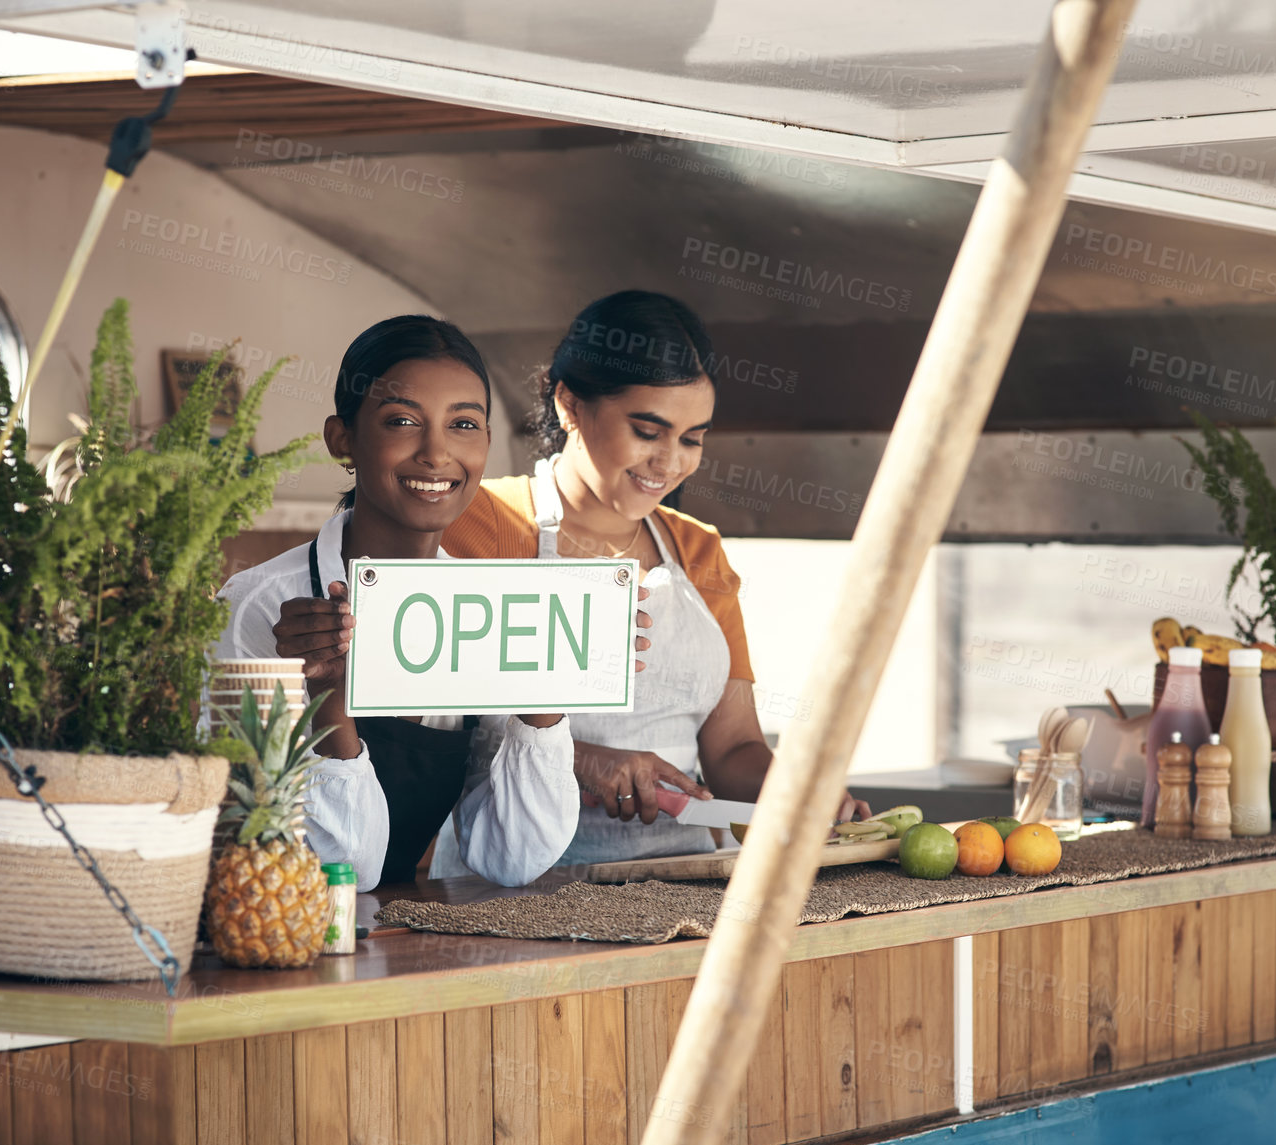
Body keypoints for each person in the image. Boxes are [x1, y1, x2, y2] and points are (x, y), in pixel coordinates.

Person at [438, 290, 868, 870]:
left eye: (692, 439)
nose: (669, 462)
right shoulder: (478, 527)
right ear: (569, 404)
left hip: (684, 879)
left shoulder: (698, 550)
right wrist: (586, 759)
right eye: (648, 430)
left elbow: (733, 747)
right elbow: (436, 734)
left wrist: (799, 793)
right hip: (513, 884)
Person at [214, 316, 629, 890]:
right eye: (402, 421)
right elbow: (326, 873)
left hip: (404, 947)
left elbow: (513, 859)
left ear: (486, 442)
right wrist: (328, 703)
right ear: (343, 439)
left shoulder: (485, 614)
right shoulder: (257, 609)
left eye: (463, 424)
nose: (437, 453)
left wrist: (546, 694)